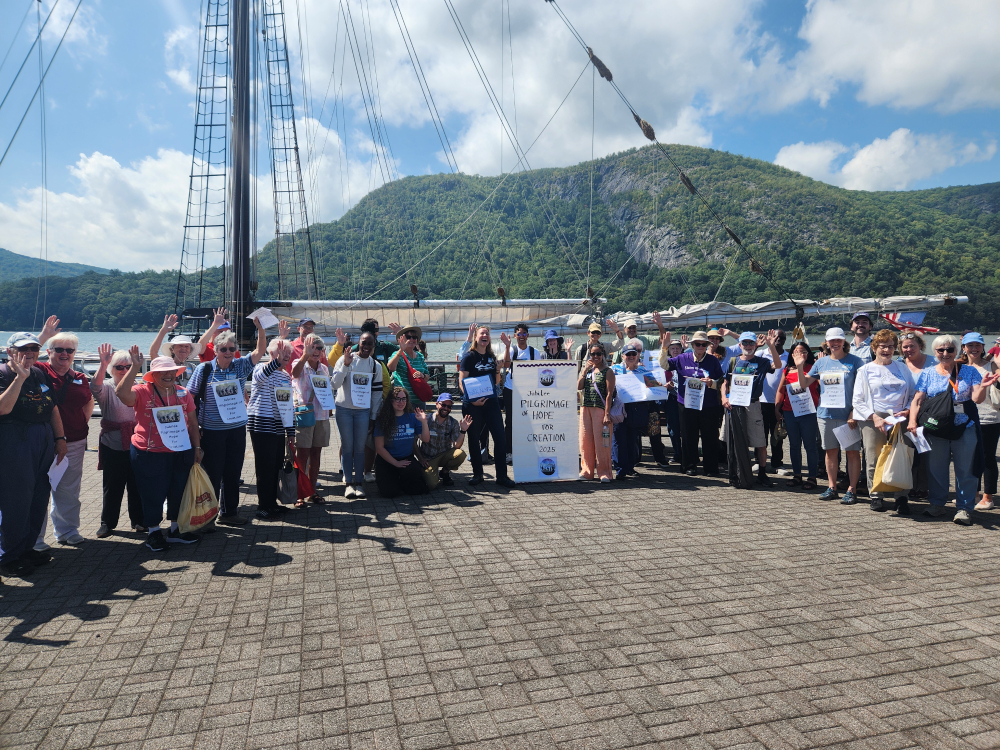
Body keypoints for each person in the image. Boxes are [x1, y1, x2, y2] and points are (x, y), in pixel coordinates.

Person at [116, 348, 203, 551]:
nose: (168, 374)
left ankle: (175, 529)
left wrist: (197, 447)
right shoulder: (142, 391)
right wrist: (135, 367)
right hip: (149, 452)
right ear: (152, 375)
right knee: (151, 493)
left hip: (180, 450)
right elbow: (121, 394)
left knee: (178, 490)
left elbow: (192, 421)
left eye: (172, 371)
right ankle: (153, 532)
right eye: (163, 372)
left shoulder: (183, 392)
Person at [908, 335, 999, 525]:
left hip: (963, 427)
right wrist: (912, 421)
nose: (945, 353)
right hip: (936, 428)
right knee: (936, 469)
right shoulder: (928, 373)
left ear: (957, 351)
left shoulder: (969, 371)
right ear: (935, 352)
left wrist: (983, 386)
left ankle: (964, 508)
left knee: (965, 470)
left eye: (950, 349)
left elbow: (977, 399)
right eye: (941, 350)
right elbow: (917, 400)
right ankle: (937, 504)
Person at [188, 316, 267, 525]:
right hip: (212, 431)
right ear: (215, 350)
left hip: (237, 429)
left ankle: (229, 513)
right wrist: (194, 428)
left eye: (231, 349)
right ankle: (209, 516)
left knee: (233, 472)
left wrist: (260, 329)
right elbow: (190, 398)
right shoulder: (203, 369)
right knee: (213, 474)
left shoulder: (240, 367)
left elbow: (259, 352)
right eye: (223, 349)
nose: (228, 353)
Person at [0, 334, 66, 576]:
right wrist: (19, 378)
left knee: (38, 495)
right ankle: (8, 556)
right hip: (14, 439)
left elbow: (53, 407)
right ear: (10, 351)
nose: (29, 352)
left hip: (43, 438)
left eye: (34, 348)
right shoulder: (3, 374)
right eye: (23, 348)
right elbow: (2, 408)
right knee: (15, 499)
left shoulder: (40, 373)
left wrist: (60, 439)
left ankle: (26, 548)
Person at [34, 333, 93, 547]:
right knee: (39, 488)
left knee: (68, 489)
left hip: (74, 442)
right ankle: (35, 537)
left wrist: (78, 425)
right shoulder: (39, 371)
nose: (64, 354)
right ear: (48, 352)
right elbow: (26, 358)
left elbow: (88, 402)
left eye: (70, 350)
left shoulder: (80, 376)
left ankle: (67, 530)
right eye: (59, 349)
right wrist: (43, 336)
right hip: (44, 440)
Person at [795, 327, 864, 504]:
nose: (835, 343)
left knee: (852, 453)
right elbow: (803, 385)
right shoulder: (821, 363)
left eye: (838, 340)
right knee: (830, 452)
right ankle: (832, 487)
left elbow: (862, 389)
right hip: (825, 415)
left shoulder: (856, 362)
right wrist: (799, 366)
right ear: (826, 342)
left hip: (847, 416)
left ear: (844, 341)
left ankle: (852, 489)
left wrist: (854, 411)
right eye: (831, 340)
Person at [852, 330, 916, 514]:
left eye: (890, 346)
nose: (886, 350)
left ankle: (902, 496)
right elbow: (857, 400)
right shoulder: (865, 370)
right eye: (882, 346)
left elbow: (913, 393)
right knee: (874, 457)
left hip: (900, 417)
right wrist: (875, 417)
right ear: (874, 348)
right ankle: (876, 495)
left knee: (902, 455)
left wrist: (908, 409)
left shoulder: (902, 368)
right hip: (874, 417)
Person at [91, 344, 143, 537]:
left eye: (128, 367)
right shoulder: (107, 388)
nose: (123, 370)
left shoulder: (140, 388)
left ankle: (139, 520)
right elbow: (94, 386)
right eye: (119, 367)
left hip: (137, 442)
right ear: (111, 369)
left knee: (137, 485)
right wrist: (102, 364)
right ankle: (107, 523)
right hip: (113, 443)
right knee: (112, 486)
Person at [720, 331, 783, 486]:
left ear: (756, 345)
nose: (748, 346)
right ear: (740, 345)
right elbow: (725, 383)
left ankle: (762, 473)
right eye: (745, 343)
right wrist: (723, 397)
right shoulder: (733, 361)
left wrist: (770, 346)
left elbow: (779, 364)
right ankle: (736, 471)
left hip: (753, 405)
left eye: (751, 343)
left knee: (760, 443)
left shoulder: (762, 362)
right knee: (732, 440)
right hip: (733, 405)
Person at [661, 330, 725, 476]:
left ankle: (710, 468)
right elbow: (664, 365)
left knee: (710, 436)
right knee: (689, 436)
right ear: (693, 345)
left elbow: (722, 381)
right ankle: (689, 466)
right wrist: (664, 348)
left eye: (703, 344)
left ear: (707, 345)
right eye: (697, 344)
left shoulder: (713, 360)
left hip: (709, 405)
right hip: (686, 403)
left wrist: (712, 383)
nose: (700, 347)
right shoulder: (682, 358)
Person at [459, 326, 515, 488]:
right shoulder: (469, 357)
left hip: (491, 403)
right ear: (476, 337)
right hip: (472, 405)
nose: (485, 335)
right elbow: (462, 382)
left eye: (487, 334)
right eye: (482, 333)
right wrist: (471, 400)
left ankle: (502, 476)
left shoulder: (491, 357)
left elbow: (497, 382)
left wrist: (498, 369)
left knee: (500, 438)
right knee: (474, 439)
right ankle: (477, 474)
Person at [247, 336, 296, 520]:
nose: (287, 356)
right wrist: (276, 361)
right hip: (261, 423)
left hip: (278, 425)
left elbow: (288, 405)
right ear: (272, 354)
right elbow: (259, 377)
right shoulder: (261, 368)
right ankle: (262, 506)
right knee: (264, 466)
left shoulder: (285, 375)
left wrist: (291, 432)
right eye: (283, 353)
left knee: (276, 465)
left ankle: (272, 503)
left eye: (289, 354)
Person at [331, 331, 384, 499]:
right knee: (348, 447)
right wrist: (346, 365)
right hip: (344, 410)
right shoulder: (345, 358)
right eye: (364, 343)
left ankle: (359, 483)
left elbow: (376, 395)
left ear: (373, 346)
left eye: (370, 343)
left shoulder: (375, 366)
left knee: (360, 449)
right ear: (358, 343)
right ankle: (348, 483)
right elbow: (334, 384)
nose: (366, 346)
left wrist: (373, 417)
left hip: (363, 412)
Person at [611, 340, 666, 480]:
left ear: (637, 356)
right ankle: (620, 469)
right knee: (618, 439)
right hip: (619, 407)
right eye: (628, 354)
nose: (631, 356)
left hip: (636, 408)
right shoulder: (614, 369)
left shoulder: (643, 370)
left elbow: (653, 386)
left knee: (632, 439)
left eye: (633, 354)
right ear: (622, 356)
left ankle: (630, 467)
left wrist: (662, 386)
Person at [959, 333, 999, 511]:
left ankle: (988, 497)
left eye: (978, 345)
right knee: (969, 458)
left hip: (990, 417)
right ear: (964, 348)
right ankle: (972, 494)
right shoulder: (960, 367)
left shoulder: (992, 365)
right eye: (970, 345)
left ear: (983, 347)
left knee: (988, 457)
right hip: (967, 419)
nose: (974, 349)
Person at [291, 333, 332, 504]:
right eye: (312, 347)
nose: (316, 351)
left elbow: (327, 390)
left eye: (319, 348)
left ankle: (312, 491)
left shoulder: (324, 368)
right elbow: (294, 373)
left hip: (321, 415)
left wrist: (330, 408)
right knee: (302, 455)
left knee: (316, 454)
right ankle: (299, 494)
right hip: (305, 415)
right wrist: (305, 355)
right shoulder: (299, 363)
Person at [774, 342, 821, 490]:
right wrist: (777, 408)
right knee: (794, 446)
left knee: (810, 446)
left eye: (803, 351)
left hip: (808, 413)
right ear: (791, 354)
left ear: (808, 353)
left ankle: (812, 477)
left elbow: (822, 386)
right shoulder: (787, 369)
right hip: (789, 412)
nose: (800, 354)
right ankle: (797, 475)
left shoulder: (814, 368)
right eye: (796, 351)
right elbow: (780, 390)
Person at [373, 387, 431, 498]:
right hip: (387, 460)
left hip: (406, 458)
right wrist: (396, 463)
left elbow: (426, 439)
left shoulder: (413, 417)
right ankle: (393, 479)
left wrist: (423, 422)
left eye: (404, 399)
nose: (401, 402)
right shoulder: (383, 419)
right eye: (397, 399)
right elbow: (379, 448)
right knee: (389, 493)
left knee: (417, 489)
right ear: (391, 401)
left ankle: (401, 480)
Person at [502, 323, 545, 464]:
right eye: (519, 334)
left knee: (529, 421)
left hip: (528, 392)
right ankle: (509, 452)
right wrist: (507, 346)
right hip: (511, 390)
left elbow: (540, 372)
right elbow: (506, 365)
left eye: (524, 334)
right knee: (510, 422)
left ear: (528, 335)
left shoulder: (535, 352)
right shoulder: (512, 350)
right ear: (515, 336)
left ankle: (528, 450)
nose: (522, 337)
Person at [577, 341, 617, 482]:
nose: (595, 356)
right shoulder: (588, 371)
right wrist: (584, 371)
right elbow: (579, 386)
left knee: (602, 443)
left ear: (603, 355)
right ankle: (587, 471)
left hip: (600, 409)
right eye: (592, 354)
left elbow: (609, 394)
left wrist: (607, 414)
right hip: (585, 408)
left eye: (598, 354)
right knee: (585, 442)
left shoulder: (608, 371)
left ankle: (605, 472)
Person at [415, 393, 472, 489]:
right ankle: (428, 472)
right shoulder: (426, 419)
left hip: (444, 455)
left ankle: (445, 472)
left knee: (460, 454)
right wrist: (420, 458)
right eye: (443, 405)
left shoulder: (453, 423)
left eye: (449, 406)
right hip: (428, 458)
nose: (446, 408)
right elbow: (414, 441)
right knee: (431, 485)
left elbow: (456, 446)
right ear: (437, 404)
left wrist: (463, 430)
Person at [757, 329, 788, 474]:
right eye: (776, 337)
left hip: (778, 402)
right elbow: (746, 354)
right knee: (760, 434)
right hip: (760, 400)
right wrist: (759, 345)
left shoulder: (788, 356)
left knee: (777, 435)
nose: (778, 340)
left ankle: (776, 463)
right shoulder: (761, 353)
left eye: (781, 338)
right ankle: (759, 462)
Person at [149, 313, 209, 386]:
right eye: (180, 346)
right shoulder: (166, 364)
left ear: (190, 350)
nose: (183, 348)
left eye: (187, 346)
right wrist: (163, 331)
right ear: (172, 349)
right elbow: (153, 353)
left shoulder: (192, 367)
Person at [388, 325, 430, 409]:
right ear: (403, 339)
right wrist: (401, 350)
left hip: (419, 399)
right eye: (408, 337)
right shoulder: (397, 354)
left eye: (414, 337)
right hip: (403, 401)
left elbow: (427, 376)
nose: (411, 339)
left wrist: (422, 375)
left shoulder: (420, 356)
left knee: (419, 422)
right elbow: (391, 368)